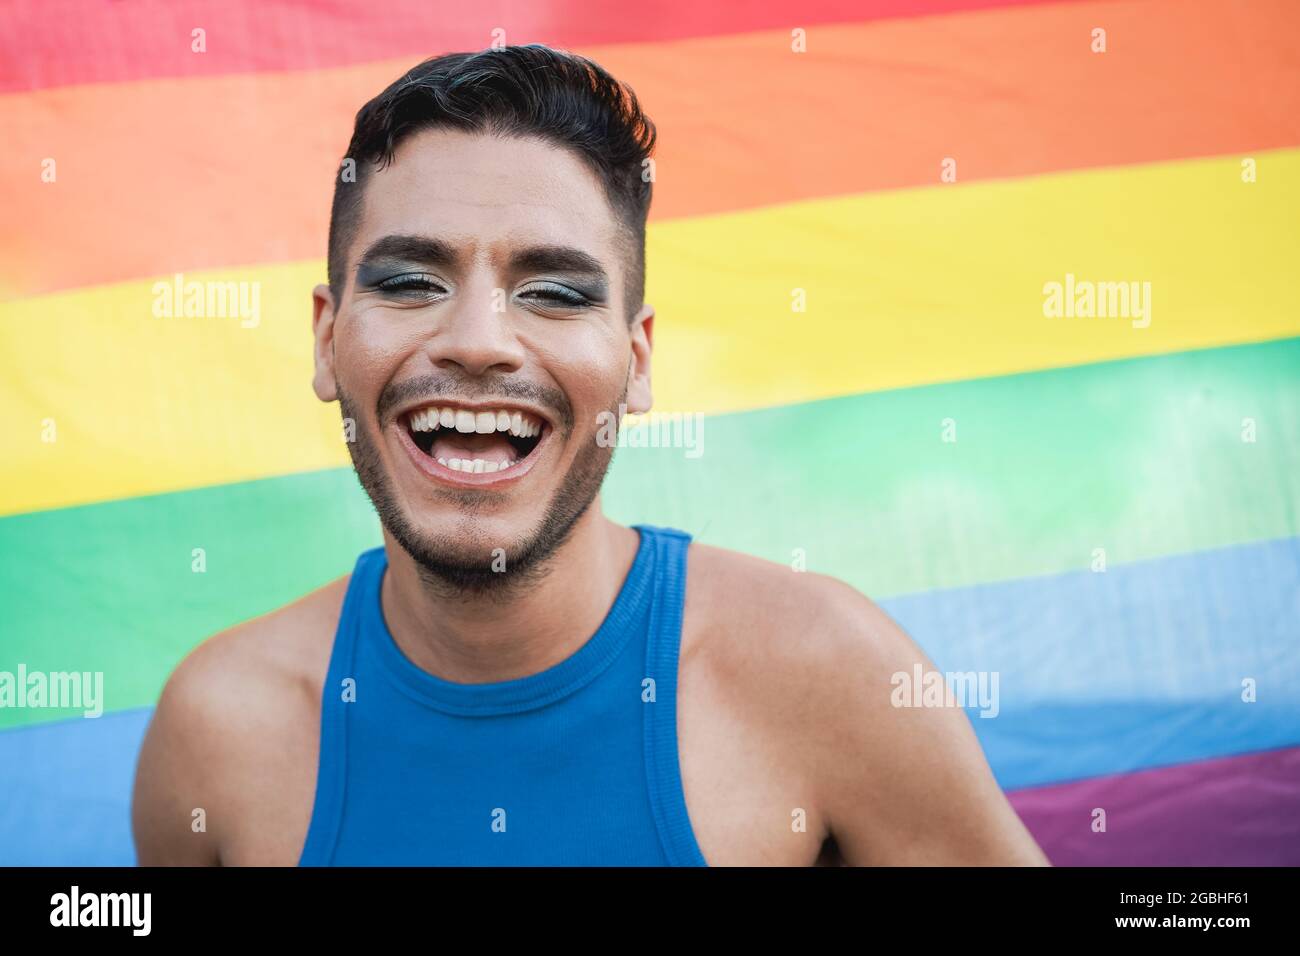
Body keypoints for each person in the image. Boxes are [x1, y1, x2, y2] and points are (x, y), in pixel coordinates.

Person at [132, 44, 1049, 866]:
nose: (479, 342)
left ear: (636, 362)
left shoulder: (832, 674)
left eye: (556, 292)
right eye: (411, 282)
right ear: (328, 342)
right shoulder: (217, 729)